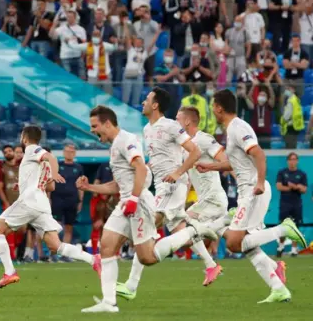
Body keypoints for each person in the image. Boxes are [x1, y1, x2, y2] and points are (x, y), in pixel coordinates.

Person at [77, 105, 216, 313]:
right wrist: (90, 187)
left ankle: (194, 230)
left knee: (147, 257)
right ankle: (109, 303)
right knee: (106, 246)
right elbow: (117, 184)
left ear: (107, 123)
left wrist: (133, 198)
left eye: (95, 126)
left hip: (138, 201)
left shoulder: (126, 140)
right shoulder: (115, 145)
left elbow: (141, 167)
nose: (92, 130)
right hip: (127, 201)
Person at [196, 89, 307, 303]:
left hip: (252, 191)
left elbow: (259, 153)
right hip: (246, 192)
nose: (212, 111)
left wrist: (258, 183)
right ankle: (278, 287)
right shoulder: (232, 130)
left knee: (234, 243)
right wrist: (210, 166)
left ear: (219, 108)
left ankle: (285, 229)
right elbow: (235, 163)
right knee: (246, 244)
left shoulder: (239, 127)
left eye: (213, 107)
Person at [115, 87, 205, 301]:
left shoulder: (171, 126)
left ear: (155, 105)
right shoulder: (147, 129)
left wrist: (178, 172)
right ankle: (131, 285)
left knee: (145, 227)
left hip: (172, 185)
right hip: (161, 186)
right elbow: (155, 158)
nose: (143, 102)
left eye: (147, 99)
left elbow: (195, 151)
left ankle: (131, 285)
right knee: (148, 230)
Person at [0, 125, 101, 289]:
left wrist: (55, 173)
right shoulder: (39, 161)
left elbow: (51, 158)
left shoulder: (31, 149)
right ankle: (93, 259)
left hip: (29, 201)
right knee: (55, 246)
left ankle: (10, 272)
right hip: (41, 203)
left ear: (25, 137)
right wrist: (24, 185)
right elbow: (50, 187)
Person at [175, 106, 230, 284]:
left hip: (213, 200)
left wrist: (208, 166)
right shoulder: (186, 146)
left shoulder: (204, 139)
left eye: (177, 119)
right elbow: (189, 177)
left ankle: (210, 264)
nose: (175, 122)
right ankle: (273, 267)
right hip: (205, 201)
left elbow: (227, 162)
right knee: (242, 243)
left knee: (184, 227)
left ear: (187, 121)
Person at [51, 144, 84, 254]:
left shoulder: (78, 167)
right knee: (56, 227)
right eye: (67, 151)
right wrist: (49, 198)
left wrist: (80, 201)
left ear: (74, 153)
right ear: (63, 152)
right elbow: (51, 182)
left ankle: (65, 253)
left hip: (72, 200)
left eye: (71, 151)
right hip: (57, 199)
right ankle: (54, 251)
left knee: (69, 227)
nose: (69, 153)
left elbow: (81, 186)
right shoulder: (57, 165)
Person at [275, 153, 307, 258]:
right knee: (283, 226)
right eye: (290, 159)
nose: (292, 162)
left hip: (296, 203)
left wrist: (294, 186)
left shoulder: (302, 174)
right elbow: (279, 186)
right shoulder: (282, 173)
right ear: (287, 161)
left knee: (295, 227)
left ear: (297, 161)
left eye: (294, 159)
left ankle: (294, 249)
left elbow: (304, 189)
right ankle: (280, 246)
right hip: (285, 203)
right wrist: (293, 188)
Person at [0, 145, 22, 260]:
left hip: (22, 202)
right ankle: (12, 255)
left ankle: (15, 249)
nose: (8, 153)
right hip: (9, 202)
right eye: (5, 152)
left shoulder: (21, 166)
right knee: (10, 228)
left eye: (9, 151)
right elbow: (0, 187)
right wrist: (5, 202)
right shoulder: (2, 168)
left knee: (22, 228)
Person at [280, 83, 304, 149]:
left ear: (293, 90)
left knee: (290, 148)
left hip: (290, 127)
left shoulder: (291, 101)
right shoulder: (296, 99)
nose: (286, 91)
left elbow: (286, 116)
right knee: (293, 146)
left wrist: (282, 121)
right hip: (296, 126)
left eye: (288, 89)